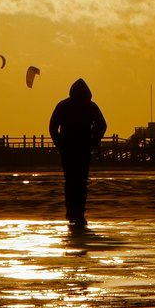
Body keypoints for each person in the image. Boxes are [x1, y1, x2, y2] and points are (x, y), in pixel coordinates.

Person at [48, 78, 107, 226]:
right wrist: (93, 140)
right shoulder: (90, 106)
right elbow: (102, 125)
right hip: (81, 147)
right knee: (80, 182)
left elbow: (53, 126)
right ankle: (78, 213)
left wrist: (59, 142)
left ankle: (73, 212)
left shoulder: (63, 105)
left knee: (71, 181)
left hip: (69, 147)